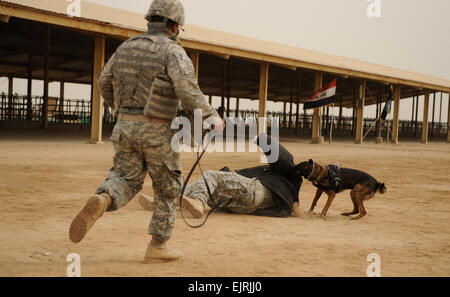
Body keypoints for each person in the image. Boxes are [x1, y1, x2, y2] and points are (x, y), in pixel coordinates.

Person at [69, 0, 223, 262]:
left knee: (125, 178)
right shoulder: (172, 52)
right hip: (158, 130)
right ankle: (158, 246)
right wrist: (211, 116)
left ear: (150, 20)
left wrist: (122, 111)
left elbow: (103, 81)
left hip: (124, 127)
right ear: (174, 25)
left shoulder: (125, 48)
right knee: (167, 187)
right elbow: (187, 89)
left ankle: (104, 198)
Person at [140, 134, 304, 218]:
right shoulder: (289, 192)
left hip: (255, 191)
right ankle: (163, 202)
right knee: (208, 185)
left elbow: (283, 157)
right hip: (248, 206)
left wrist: (263, 139)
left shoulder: (290, 174)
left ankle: (198, 202)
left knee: (211, 176)